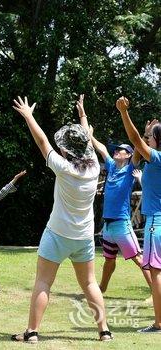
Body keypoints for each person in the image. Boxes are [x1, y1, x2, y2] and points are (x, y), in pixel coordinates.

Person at [11, 96, 112, 343]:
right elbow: (86, 139)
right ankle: (104, 331)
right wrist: (83, 116)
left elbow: (43, 141)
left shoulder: (63, 167)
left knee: (44, 282)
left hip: (57, 233)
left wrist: (28, 115)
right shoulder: (95, 169)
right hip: (84, 236)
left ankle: (32, 332)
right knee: (89, 284)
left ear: (67, 150)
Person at [81, 94, 152, 295]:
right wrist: (90, 135)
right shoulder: (112, 167)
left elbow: (139, 147)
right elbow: (101, 148)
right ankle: (101, 288)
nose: (117, 152)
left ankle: (155, 290)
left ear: (128, 155)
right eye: (117, 150)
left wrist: (145, 136)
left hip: (121, 224)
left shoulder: (131, 168)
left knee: (138, 259)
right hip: (108, 225)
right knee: (109, 260)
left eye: (121, 150)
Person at [116, 96, 161, 333]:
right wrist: (145, 136)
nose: (147, 141)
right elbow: (137, 152)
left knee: (155, 273)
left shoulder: (157, 157)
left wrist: (124, 112)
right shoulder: (154, 158)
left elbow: (133, 140)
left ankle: (159, 323)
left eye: (151, 137)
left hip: (156, 221)